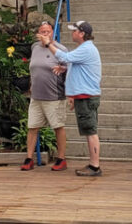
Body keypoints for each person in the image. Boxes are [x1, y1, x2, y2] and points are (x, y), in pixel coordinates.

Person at [39, 20, 102, 177]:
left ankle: (95, 166)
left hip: (87, 97)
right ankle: (93, 164)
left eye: (74, 31)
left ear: (81, 34)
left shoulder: (86, 49)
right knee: (89, 130)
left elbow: (64, 56)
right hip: (83, 96)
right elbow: (77, 65)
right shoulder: (85, 48)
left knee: (91, 131)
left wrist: (48, 44)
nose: (72, 33)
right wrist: (65, 69)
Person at [21, 21, 68, 171]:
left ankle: (61, 159)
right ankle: (29, 158)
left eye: (48, 31)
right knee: (32, 127)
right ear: (38, 34)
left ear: (53, 33)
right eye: (42, 32)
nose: (45, 34)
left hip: (54, 96)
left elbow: (69, 67)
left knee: (58, 126)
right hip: (36, 96)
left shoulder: (60, 49)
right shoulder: (35, 47)